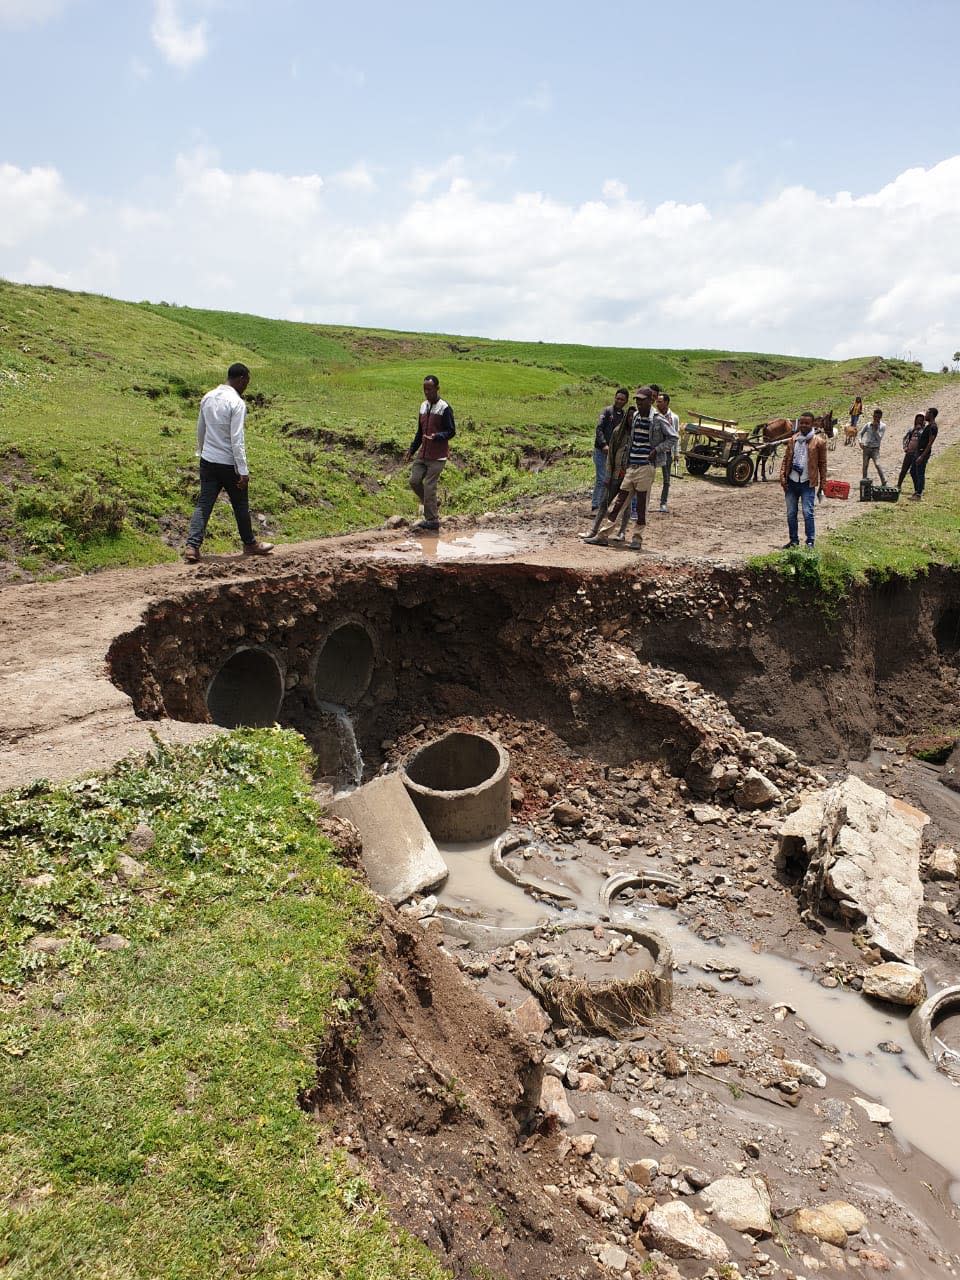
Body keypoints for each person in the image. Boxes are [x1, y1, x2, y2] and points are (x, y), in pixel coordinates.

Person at [183, 362, 273, 563]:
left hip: (208, 460)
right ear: (241, 379)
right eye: (247, 382)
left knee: (204, 504)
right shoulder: (237, 403)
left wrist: (202, 451)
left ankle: (192, 546)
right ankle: (249, 544)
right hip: (229, 463)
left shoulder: (208, 397)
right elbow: (237, 438)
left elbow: (200, 429)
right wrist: (243, 470)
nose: (246, 387)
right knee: (240, 504)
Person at [584, 386, 667, 549]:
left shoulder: (657, 419)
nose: (639, 403)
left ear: (650, 401)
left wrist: (657, 450)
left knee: (641, 504)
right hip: (631, 467)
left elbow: (673, 437)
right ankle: (603, 535)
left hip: (645, 467)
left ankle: (636, 538)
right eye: (637, 400)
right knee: (619, 503)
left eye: (642, 400)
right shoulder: (634, 417)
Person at [404, 374, 456, 531]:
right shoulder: (423, 406)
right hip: (423, 453)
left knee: (429, 485)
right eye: (424, 389)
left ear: (437, 389)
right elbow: (419, 433)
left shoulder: (444, 408)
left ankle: (432, 520)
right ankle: (432, 502)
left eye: (430, 389)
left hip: (438, 456)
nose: (427, 392)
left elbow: (451, 431)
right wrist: (411, 450)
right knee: (414, 481)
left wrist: (437, 436)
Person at [779, 411, 827, 548]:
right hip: (792, 481)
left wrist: (823, 483)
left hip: (807, 482)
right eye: (802, 422)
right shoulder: (793, 439)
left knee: (807, 512)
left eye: (807, 423)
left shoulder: (819, 442)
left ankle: (810, 541)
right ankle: (793, 540)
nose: (804, 425)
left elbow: (822, 464)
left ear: (813, 424)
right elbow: (786, 459)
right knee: (791, 513)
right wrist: (782, 476)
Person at [593, 389, 630, 512]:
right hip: (601, 451)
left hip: (615, 453)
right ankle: (596, 505)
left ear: (626, 401)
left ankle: (604, 505)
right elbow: (599, 429)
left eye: (622, 399)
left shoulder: (624, 415)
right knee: (602, 478)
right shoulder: (607, 411)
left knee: (612, 480)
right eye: (617, 398)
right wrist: (603, 444)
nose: (619, 401)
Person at [903, 407, 938, 500]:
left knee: (920, 473)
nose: (925, 415)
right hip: (918, 452)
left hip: (923, 453)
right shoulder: (928, 426)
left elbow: (930, 443)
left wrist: (922, 456)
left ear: (931, 414)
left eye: (927, 413)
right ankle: (917, 490)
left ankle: (919, 494)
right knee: (913, 471)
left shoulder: (933, 427)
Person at [655, 392, 680, 513]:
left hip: (667, 452)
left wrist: (676, 453)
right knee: (648, 476)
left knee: (666, 479)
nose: (657, 403)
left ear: (666, 402)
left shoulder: (674, 418)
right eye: (657, 401)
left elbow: (676, 435)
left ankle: (663, 503)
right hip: (654, 451)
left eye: (660, 401)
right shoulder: (653, 415)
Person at [897, 414, 926, 492]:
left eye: (921, 420)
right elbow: (905, 439)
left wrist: (920, 431)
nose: (919, 421)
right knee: (904, 470)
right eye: (917, 419)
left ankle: (918, 488)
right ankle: (898, 485)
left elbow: (924, 441)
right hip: (909, 452)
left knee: (916, 472)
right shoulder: (912, 430)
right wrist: (905, 447)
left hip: (917, 454)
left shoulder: (924, 431)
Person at [858, 408, 887, 485]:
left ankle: (884, 481)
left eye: (878, 417)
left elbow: (879, 438)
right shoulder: (868, 425)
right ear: (873, 416)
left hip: (875, 449)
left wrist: (876, 429)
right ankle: (864, 481)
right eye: (875, 417)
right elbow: (860, 433)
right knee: (865, 465)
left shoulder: (883, 426)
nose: (876, 419)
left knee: (877, 464)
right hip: (866, 447)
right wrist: (860, 442)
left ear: (880, 417)